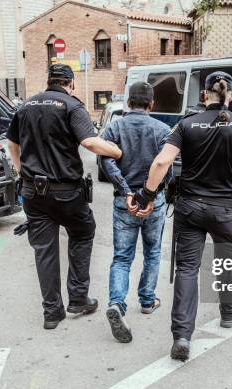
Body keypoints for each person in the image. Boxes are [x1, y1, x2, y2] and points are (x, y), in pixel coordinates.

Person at [134, 71, 232, 361]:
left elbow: (162, 161)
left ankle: (183, 337)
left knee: (187, 269)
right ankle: (229, 314)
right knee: (227, 262)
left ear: (205, 95)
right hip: (226, 210)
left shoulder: (186, 125)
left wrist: (147, 195)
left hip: (190, 208)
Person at [6, 64, 123, 330]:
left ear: (49, 81)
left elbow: (12, 144)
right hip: (66, 192)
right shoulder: (71, 105)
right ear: (70, 83)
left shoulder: (25, 106)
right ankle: (79, 298)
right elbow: (91, 142)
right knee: (82, 233)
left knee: (44, 251)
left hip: (33, 192)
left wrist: (21, 170)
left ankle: (51, 313)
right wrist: (117, 152)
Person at [100, 81, 171, 343]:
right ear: (151, 104)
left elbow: (105, 159)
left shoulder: (115, 127)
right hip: (154, 202)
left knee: (121, 257)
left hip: (124, 201)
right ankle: (147, 300)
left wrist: (127, 190)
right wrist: (151, 195)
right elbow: (167, 168)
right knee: (152, 253)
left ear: (128, 103)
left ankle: (117, 304)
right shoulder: (162, 129)